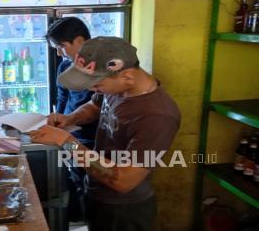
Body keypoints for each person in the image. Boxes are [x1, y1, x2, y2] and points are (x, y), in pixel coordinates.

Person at [30, 37, 181, 231]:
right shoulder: (118, 85)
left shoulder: (157, 116)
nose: (92, 89)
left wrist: (68, 142)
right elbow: (95, 105)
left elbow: (124, 180)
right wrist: (71, 118)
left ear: (128, 76)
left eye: (96, 85)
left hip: (123, 210)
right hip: (96, 191)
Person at [46, 17, 98, 223]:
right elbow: (63, 97)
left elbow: (98, 106)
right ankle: (82, 220)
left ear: (79, 41)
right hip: (71, 133)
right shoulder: (65, 66)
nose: (59, 52)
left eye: (61, 46)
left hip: (92, 137)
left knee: (93, 185)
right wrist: (59, 121)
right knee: (77, 182)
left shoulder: (103, 68)